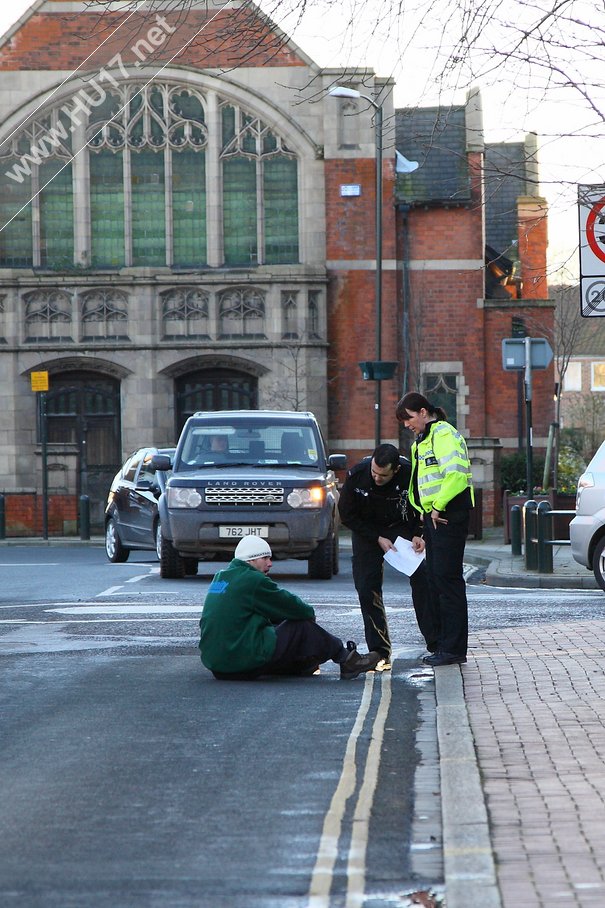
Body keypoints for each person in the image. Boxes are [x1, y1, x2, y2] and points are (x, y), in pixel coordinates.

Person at [199, 534, 380, 680]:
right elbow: (298, 608)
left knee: (275, 625)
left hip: (218, 666)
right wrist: (304, 618)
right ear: (251, 560)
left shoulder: (221, 577)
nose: (270, 563)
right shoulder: (252, 580)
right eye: (265, 558)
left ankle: (302, 664)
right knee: (301, 626)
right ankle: (347, 659)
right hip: (242, 662)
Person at [337, 443, 438, 671]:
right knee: (366, 587)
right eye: (374, 472)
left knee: (422, 578)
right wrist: (376, 538)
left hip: (400, 526)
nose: (376, 478)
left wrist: (418, 534)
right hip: (367, 531)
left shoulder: (410, 473)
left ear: (395, 471)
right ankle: (379, 651)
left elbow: (422, 505)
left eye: (383, 475)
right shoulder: (357, 474)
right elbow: (347, 516)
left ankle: (435, 642)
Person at [395, 392, 475, 667]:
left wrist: (438, 507)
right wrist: (422, 519)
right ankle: (444, 645)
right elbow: (421, 484)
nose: (406, 424)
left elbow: (457, 475)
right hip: (434, 517)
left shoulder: (443, 434)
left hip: (448, 515)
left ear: (422, 412)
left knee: (447, 580)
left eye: (408, 418)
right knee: (434, 579)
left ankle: (453, 649)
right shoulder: (423, 441)